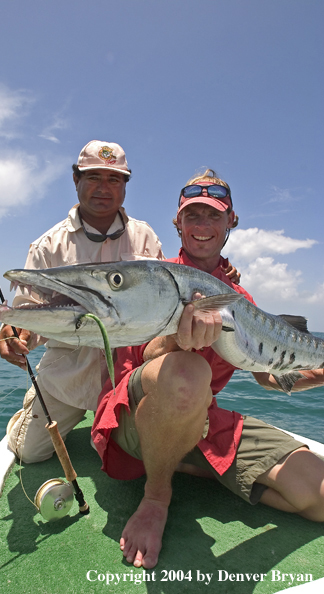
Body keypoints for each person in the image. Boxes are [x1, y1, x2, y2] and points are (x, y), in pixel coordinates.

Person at [92, 168, 324, 569]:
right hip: (133, 415)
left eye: (213, 215)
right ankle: (156, 496)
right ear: (177, 223)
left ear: (231, 221)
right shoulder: (149, 278)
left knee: (317, 496)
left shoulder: (239, 297)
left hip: (199, 416)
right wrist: (175, 341)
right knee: (186, 372)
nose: (202, 226)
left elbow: (268, 375)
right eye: (192, 215)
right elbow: (140, 361)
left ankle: (184, 460)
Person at [0, 140, 165, 463]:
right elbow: (28, 309)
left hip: (128, 375)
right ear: (76, 181)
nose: (103, 188)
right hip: (68, 377)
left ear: (125, 185)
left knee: (151, 455)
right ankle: (32, 410)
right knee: (29, 454)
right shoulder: (48, 245)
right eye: (93, 177)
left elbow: (165, 303)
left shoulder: (146, 238)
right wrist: (18, 331)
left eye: (114, 179)